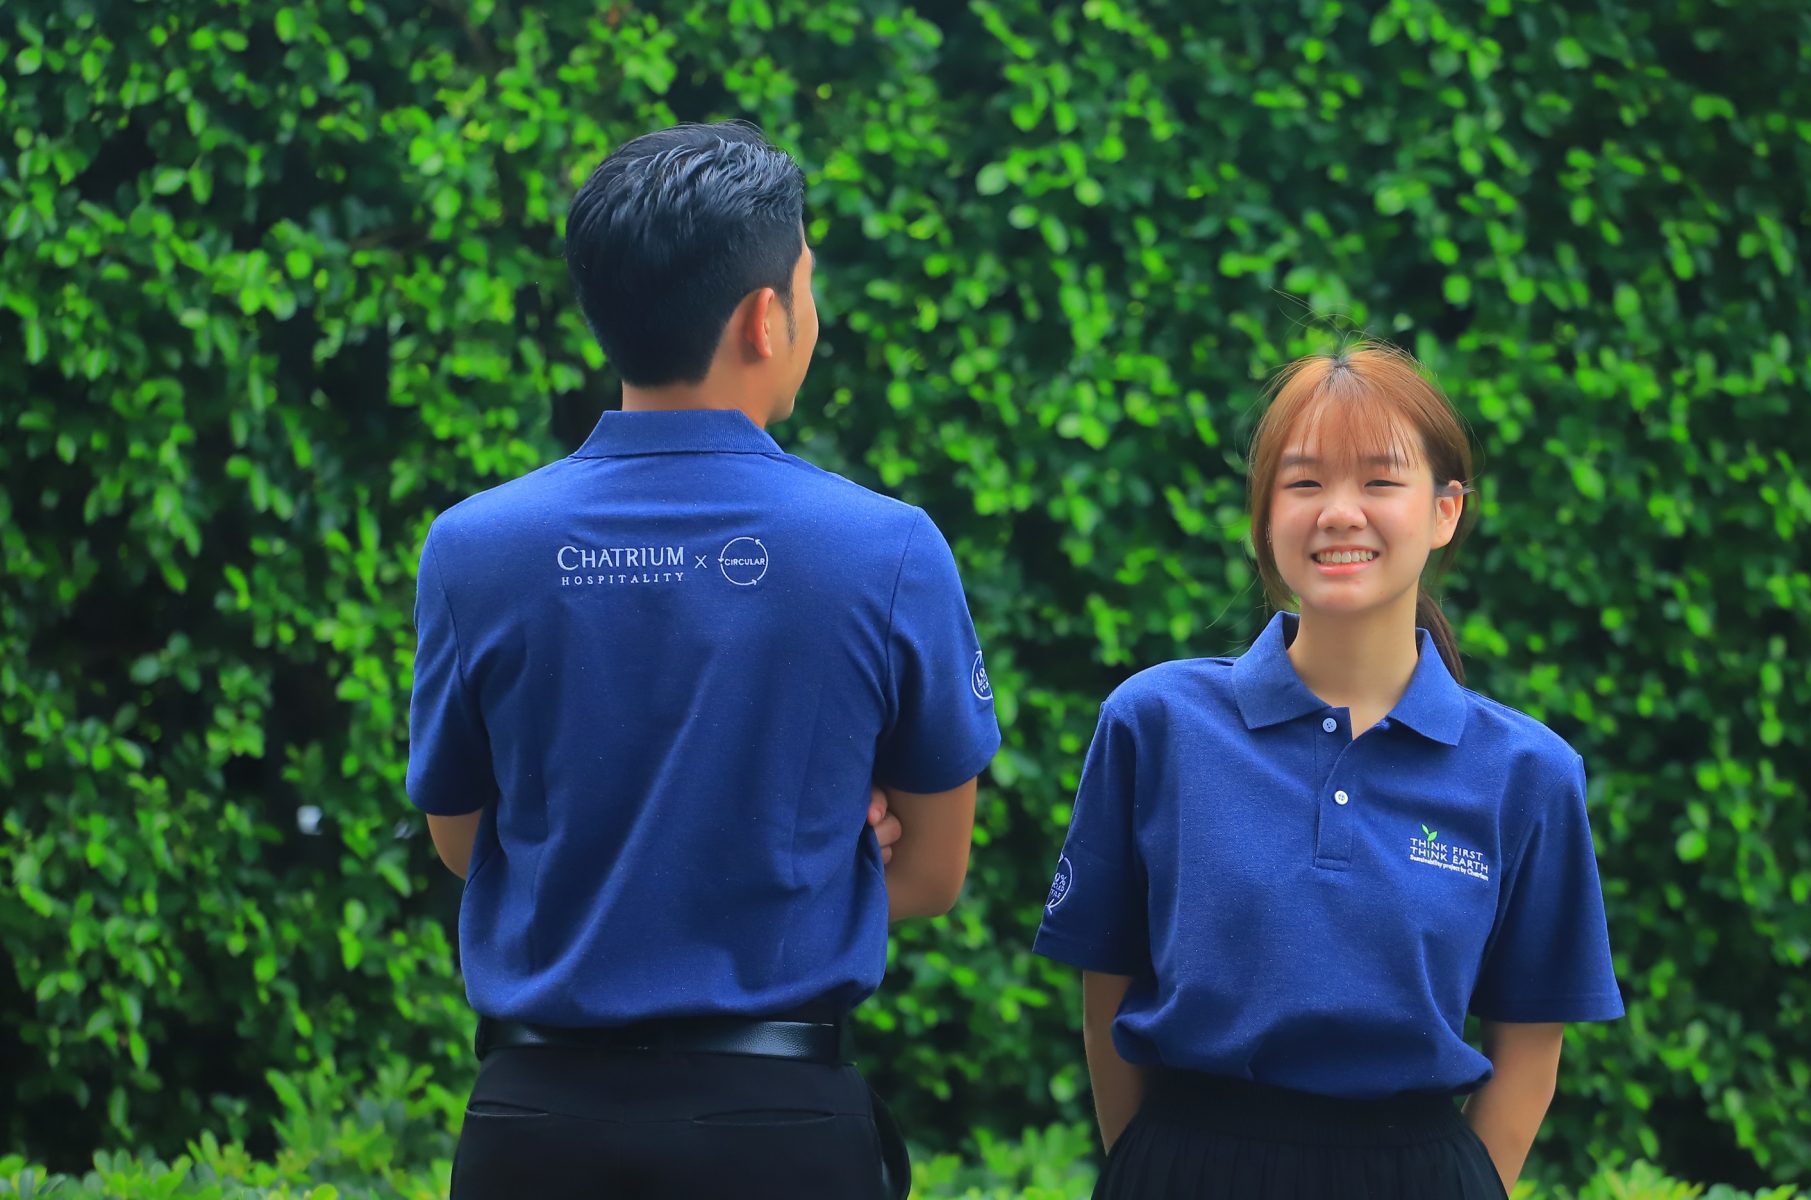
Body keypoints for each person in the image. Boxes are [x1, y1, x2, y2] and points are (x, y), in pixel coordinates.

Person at [405, 121, 1000, 1200]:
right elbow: (933, 870)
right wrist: (829, 841)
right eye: (809, 283)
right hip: (778, 1134)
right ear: (765, 316)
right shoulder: (888, 549)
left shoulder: (473, 546)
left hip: (532, 1131)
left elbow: (463, 841)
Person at [1033, 341, 1623, 1198]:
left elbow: (1530, 1050)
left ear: (1446, 510)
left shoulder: (1528, 773)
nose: (1339, 513)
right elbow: (1107, 998)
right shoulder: (1156, 724)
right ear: (1265, 515)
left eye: (1381, 482)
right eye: (1304, 483)